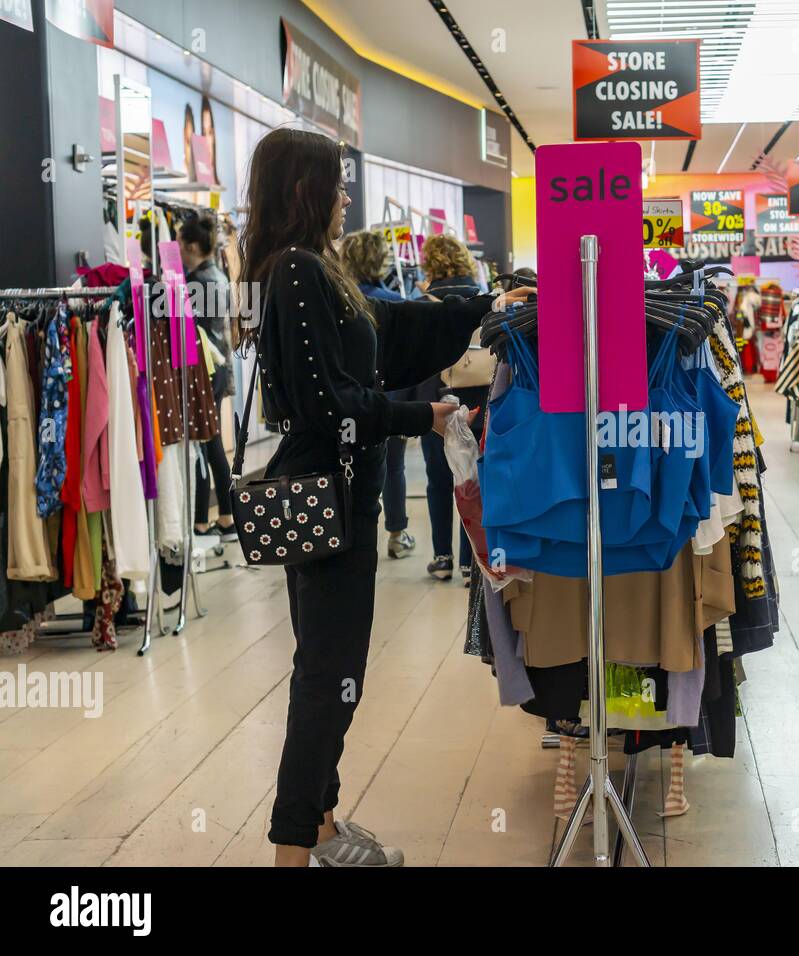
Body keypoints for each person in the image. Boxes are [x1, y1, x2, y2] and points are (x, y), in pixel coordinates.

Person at [236, 128, 533, 867]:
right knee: (328, 678)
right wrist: (419, 417)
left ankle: (324, 822)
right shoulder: (299, 272)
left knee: (330, 668)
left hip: (339, 494)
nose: (345, 198)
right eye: (335, 184)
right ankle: (291, 848)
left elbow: (394, 331)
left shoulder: (311, 269)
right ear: (304, 189)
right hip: (329, 497)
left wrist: (486, 305)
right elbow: (327, 403)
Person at [339, 229, 416, 560]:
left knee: (346, 464)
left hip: (347, 399)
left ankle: (344, 530)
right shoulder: (397, 303)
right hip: (392, 398)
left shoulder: (338, 301)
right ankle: (396, 533)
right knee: (393, 466)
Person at [418, 234, 491, 584]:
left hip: (437, 400)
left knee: (438, 480)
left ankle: (442, 556)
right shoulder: (484, 298)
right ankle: (469, 561)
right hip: (480, 399)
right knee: (471, 478)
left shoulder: (423, 303)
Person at [181, 212, 236, 540]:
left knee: (204, 441)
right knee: (211, 441)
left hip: (205, 369)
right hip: (217, 367)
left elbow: (191, 333)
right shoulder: (216, 275)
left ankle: (203, 522)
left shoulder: (196, 282)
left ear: (190, 246)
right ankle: (225, 518)